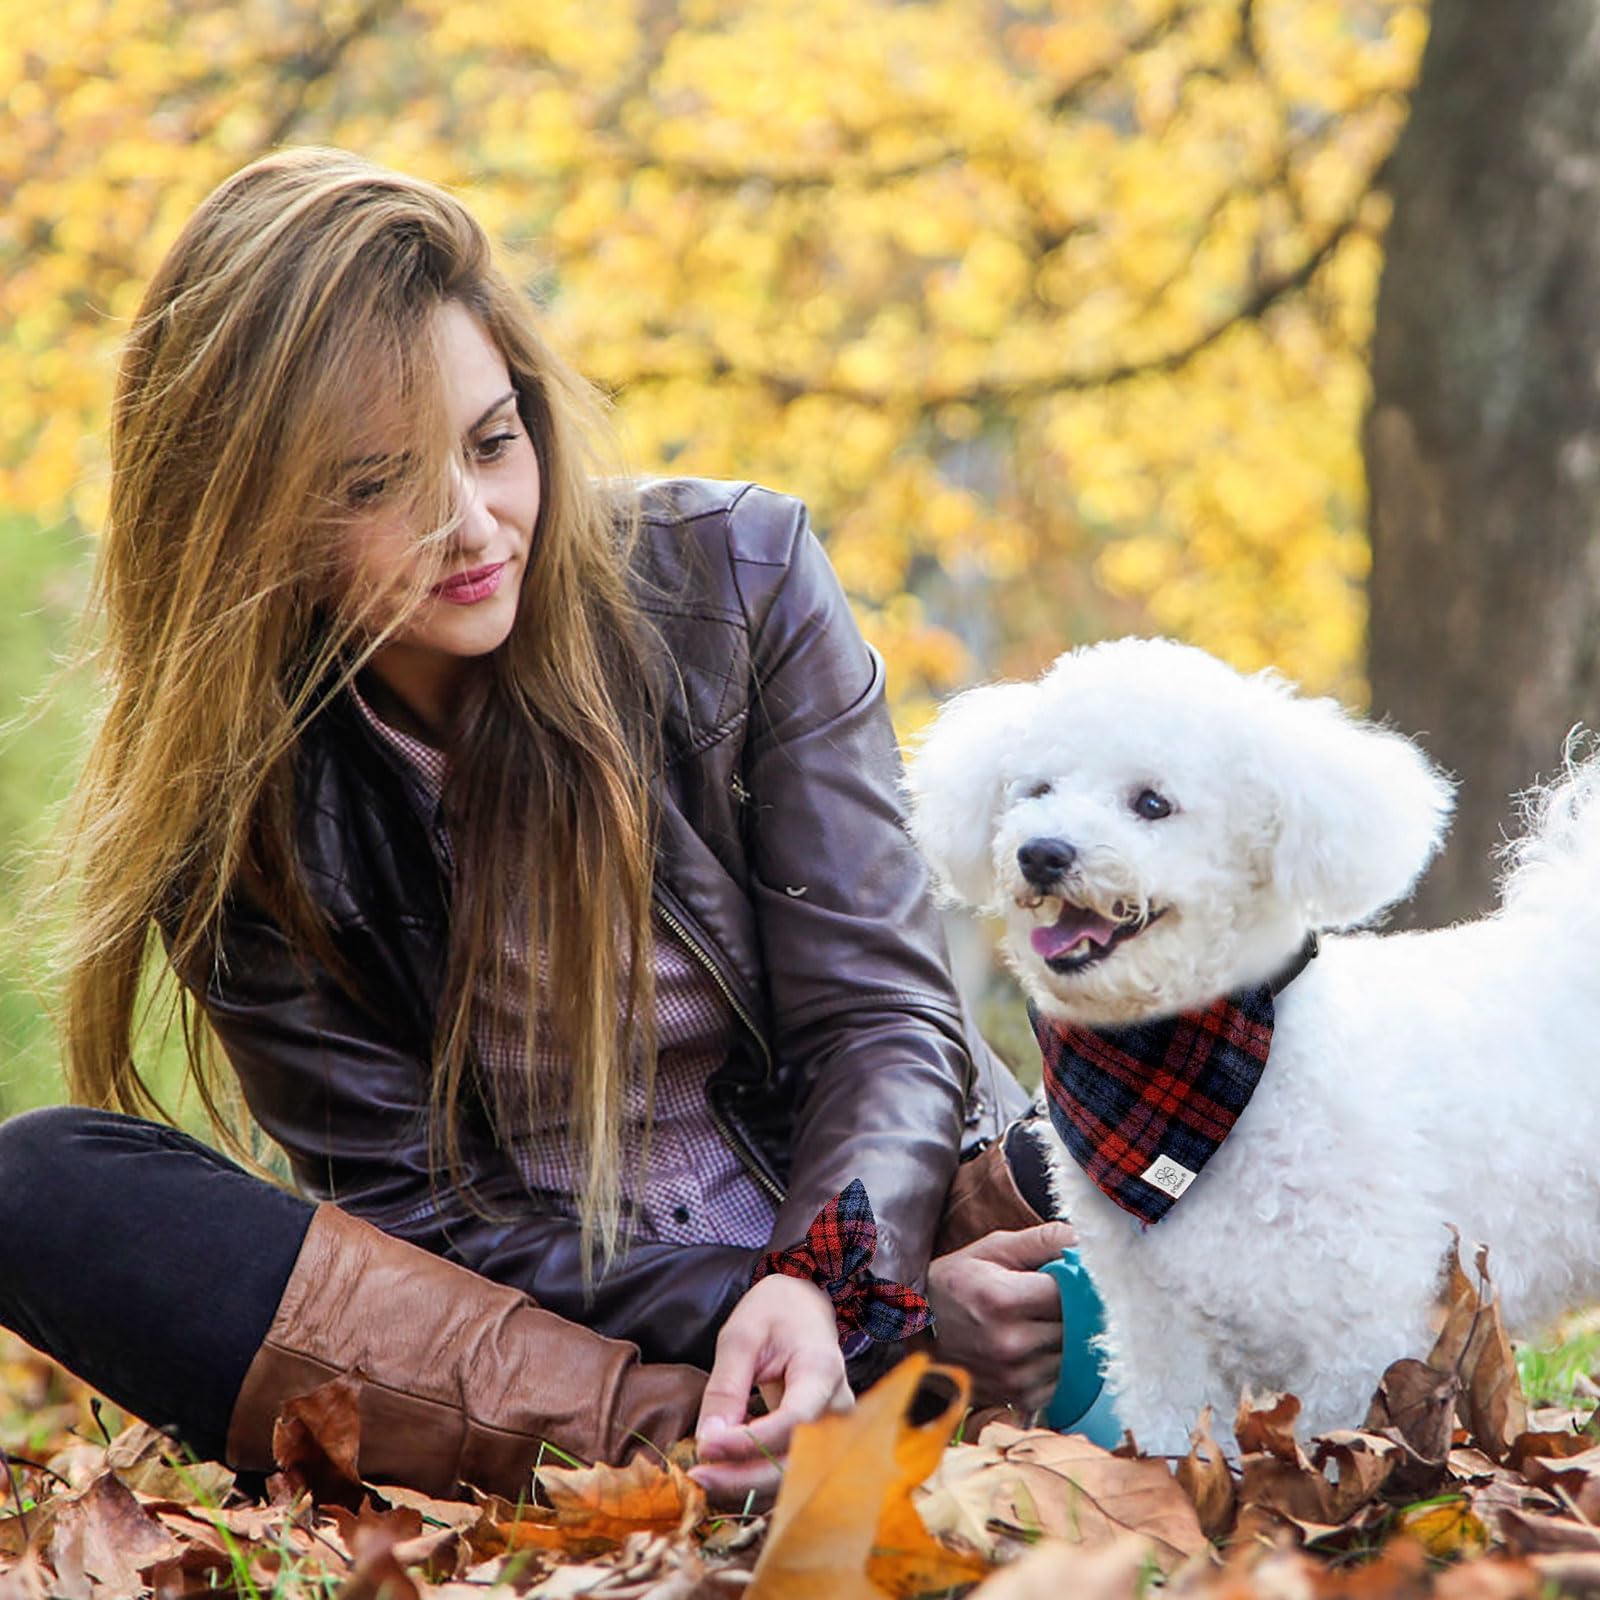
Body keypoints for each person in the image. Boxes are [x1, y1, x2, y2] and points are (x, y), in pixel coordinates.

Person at [0, 147, 1073, 1504]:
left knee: (1241, 1032)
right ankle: (719, 1437)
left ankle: (815, 1402)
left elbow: (880, 1018)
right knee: (41, 1187)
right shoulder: (231, 808)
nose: (472, 525)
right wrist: (839, 1321)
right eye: (374, 485)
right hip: (566, 1341)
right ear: (249, 516)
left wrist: (835, 1284)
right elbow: (429, 1225)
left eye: (492, 441)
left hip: (911, 1211)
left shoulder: (738, 576)